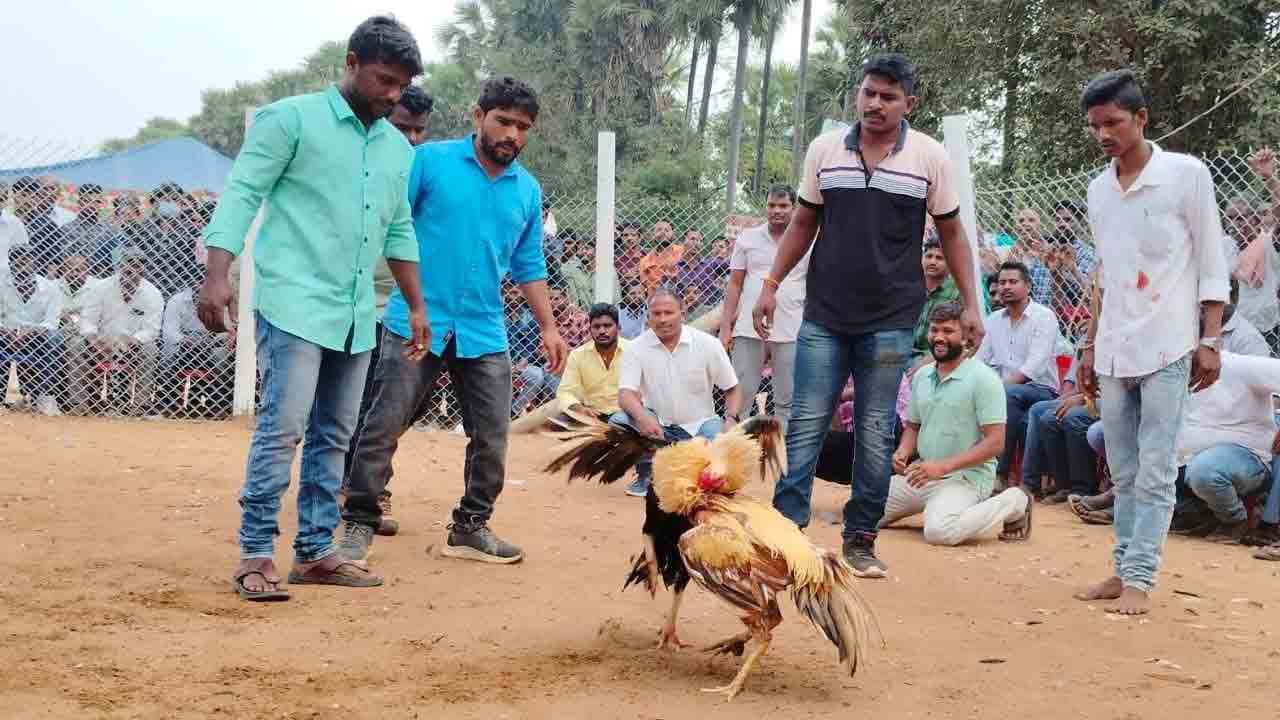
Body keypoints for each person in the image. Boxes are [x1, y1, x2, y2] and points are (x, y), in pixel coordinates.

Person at [198, 16, 430, 600]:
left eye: (401, 85)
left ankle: (315, 551)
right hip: (293, 302)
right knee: (283, 430)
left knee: (335, 435)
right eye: (384, 79)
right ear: (351, 62)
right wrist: (217, 274)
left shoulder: (396, 148)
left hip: (357, 312)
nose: (393, 95)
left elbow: (398, 230)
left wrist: (417, 306)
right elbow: (243, 194)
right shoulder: (291, 119)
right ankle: (255, 553)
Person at [758, 54, 983, 577]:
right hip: (825, 312)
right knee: (806, 422)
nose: (875, 104)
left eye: (888, 96)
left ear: (910, 103)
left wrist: (972, 303)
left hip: (891, 316)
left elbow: (952, 233)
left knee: (877, 428)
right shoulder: (826, 149)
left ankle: (860, 539)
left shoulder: (929, 157)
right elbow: (803, 223)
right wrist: (771, 283)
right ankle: (786, 530)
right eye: (868, 93)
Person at [338, 76, 567, 567]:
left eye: (523, 127)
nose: (513, 134)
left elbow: (529, 265)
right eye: (503, 121)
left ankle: (470, 526)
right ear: (477, 115)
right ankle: (359, 522)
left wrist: (548, 326)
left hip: (484, 328)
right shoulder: (430, 162)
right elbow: (393, 228)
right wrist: (408, 298)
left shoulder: (526, 191)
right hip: (415, 318)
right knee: (384, 423)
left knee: (491, 434)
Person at [1074, 69, 1230, 616]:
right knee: (1124, 470)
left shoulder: (1185, 175)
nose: (1103, 134)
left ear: (1141, 118)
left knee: (1159, 466)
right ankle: (1122, 568)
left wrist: (1211, 338)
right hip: (1115, 345)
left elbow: (1213, 260)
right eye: (1095, 126)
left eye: (1112, 122)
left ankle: (1140, 577)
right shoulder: (1098, 189)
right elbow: (1102, 276)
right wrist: (1089, 347)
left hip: (1169, 343)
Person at [882, 303, 1033, 544]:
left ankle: (1015, 501)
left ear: (966, 337)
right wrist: (903, 451)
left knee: (939, 531)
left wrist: (943, 467)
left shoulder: (984, 379)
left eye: (948, 331)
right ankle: (937, 506)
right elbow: (913, 425)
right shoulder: (922, 376)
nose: (939, 337)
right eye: (934, 330)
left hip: (967, 478)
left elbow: (996, 443)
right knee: (860, 513)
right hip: (922, 473)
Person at [615, 287, 742, 497]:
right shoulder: (636, 348)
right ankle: (647, 474)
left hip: (701, 426)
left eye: (669, 313)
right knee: (620, 422)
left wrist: (731, 418)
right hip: (657, 427)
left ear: (682, 314)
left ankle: (687, 474)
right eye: (656, 314)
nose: (663, 319)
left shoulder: (708, 344)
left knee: (718, 454)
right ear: (648, 316)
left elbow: (732, 388)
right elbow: (625, 394)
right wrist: (643, 417)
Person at [719, 184, 806, 430]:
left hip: (792, 328)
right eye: (771, 205)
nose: (776, 211)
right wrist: (726, 327)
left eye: (783, 206)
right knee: (740, 397)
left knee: (786, 400)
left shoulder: (806, 240)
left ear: (794, 208)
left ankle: (782, 459)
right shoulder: (747, 238)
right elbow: (735, 285)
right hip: (748, 327)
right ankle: (737, 455)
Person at [976, 261, 1063, 489]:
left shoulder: (1044, 316)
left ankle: (999, 474)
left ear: (1028, 286)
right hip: (1008, 390)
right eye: (1002, 282)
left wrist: (996, 389)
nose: (1005, 287)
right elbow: (980, 360)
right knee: (995, 395)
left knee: (1006, 394)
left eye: (1013, 282)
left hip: (1041, 389)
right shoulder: (994, 319)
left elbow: (1034, 367)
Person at [72, 247, 164, 416]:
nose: (133, 270)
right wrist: (94, 341)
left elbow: (151, 331)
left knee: (151, 349)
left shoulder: (153, 294)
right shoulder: (101, 287)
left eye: (138, 266)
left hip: (133, 345)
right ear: (120, 267)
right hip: (101, 341)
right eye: (129, 265)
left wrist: (133, 341)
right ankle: (79, 402)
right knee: (76, 344)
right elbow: (88, 320)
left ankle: (139, 405)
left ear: (143, 269)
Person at [1020, 359, 1100, 503]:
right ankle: (1061, 485)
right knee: (1045, 415)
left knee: (1071, 417)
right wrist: (1063, 400)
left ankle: (1082, 489)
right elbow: (1072, 381)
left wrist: (1083, 398)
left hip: (1104, 400)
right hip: (1085, 396)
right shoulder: (1085, 343)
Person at [0, 245, 65, 415]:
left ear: (35, 262)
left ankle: (45, 396)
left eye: (27, 259)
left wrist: (30, 331)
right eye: (17, 260)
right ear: (10, 263)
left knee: (55, 338)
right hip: (5, 335)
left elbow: (52, 323)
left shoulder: (50, 288)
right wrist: (6, 332)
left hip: (37, 337)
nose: (22, 264)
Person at [161, 273, 234, 416]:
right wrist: (185, 340)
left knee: (221, 355)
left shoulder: (219, 301)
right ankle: (168, 403)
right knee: (168, 351)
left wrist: (213, 340)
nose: (201, 286)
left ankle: (217, 404)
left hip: (208, 346)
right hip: (183, 346)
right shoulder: (177, 301)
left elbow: (226, 331)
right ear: (192, 284)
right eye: (198, 281)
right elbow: (169, 333)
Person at [512, 283, 588, 416]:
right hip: (554, 367)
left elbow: (587, 349)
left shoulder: (581, 319)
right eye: (550, 299)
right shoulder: (544, 323)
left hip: (578, 366)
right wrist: (568, 353)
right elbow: (544, 353)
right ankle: (562, 414)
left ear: (567, 299)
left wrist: (565, 354)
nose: (553, 302)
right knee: (550, 371)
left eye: (557, 298)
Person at [131, 183, 202, 300]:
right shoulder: (144, 228)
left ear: (179, 203)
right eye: (165, 199)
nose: (169, 203)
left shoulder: (191, 230)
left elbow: (195, 264)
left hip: (180, 288)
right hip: (150, 286)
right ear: (158, 202)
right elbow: (137, 256)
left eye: (174, 199)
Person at [555, 302, 628, 418]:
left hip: (627, 415)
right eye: (596, 326)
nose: (602, 331)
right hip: (592, 415)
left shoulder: (633, 351)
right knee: (557, 421)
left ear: (618, 327)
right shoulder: (578, 356)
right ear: (589, 329)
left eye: (607, 325)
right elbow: (565, 392)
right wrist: (580, 409)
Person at [910, 238, 961, 365]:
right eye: (929, 256)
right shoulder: (909, 287)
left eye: (939, 258)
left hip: (936, 356)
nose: (932, 261)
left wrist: (928, 361)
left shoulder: (957, 292)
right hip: (902, 352)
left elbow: (961, 339)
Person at [10, 176, 64, 277]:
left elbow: (54, 261)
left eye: (33, 195)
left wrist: (48, 284)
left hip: (38, 279)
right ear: (14, 196)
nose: (27, 199)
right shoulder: (7, 223)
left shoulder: (48, 225)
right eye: (23, 194)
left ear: (37, 197)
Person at [61, 184, 118, 273]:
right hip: (75, 276)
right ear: (80, 203)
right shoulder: (67, 229)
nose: (92, 205)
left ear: (101, 204)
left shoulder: (109, 231)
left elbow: (112, 260)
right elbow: (64, 258)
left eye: (97, 201)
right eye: (87, 201)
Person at [638, 218, 684, 293]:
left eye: (667, 230)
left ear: (673, 234)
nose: (663, 232)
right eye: (659, 230)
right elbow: (644, 288)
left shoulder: (682, 252)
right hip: (656, 300)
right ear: (653, 235)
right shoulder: (645, 261)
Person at [560, 232, 598, 310]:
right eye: (581, 249)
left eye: (587, 248)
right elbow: (573, 300)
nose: (583, 251)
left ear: (596, 250)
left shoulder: (606, 270)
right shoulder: (570, 269)